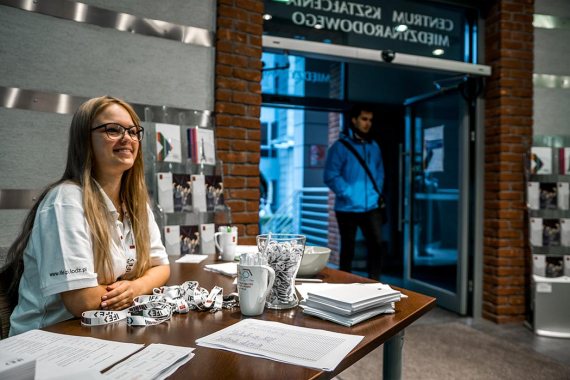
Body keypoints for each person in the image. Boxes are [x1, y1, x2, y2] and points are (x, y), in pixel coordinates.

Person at [0, 96, 170, 336]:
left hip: (104, 331)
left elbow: (161, 267)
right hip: (49, 339)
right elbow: (83, 301)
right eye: (113, 129)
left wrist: (135, 287)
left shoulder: (136, 201)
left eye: (133, 131)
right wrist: (135, 289)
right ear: (85, 140)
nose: (127, 138)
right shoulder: (66, 201)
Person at [324, 105, 385, 279]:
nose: (368, 123)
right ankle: (344, 283)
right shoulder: (340, 147)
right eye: (364, 119)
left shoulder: (374, 146)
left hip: (371, 206)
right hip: (347, 208)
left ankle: (375, 283)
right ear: (354, 120)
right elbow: (330, 175)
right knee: (348, 249)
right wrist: (348, 193)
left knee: (377, 245)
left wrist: (376, 192)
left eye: (370, 120)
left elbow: (380, 172)